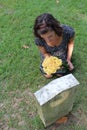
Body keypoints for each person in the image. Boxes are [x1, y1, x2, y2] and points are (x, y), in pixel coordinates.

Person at [33, 13, 75, 78]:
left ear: (55, 29)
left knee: (61, 74)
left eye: (50, 36)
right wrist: (51, 62)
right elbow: (44, 53)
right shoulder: (38, 39)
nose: (47, 40)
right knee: (48, 75)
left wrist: (68, 60)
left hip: (62, 54)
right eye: (43, 37)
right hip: (48, 56)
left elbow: (71, 44)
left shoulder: (68, 32)